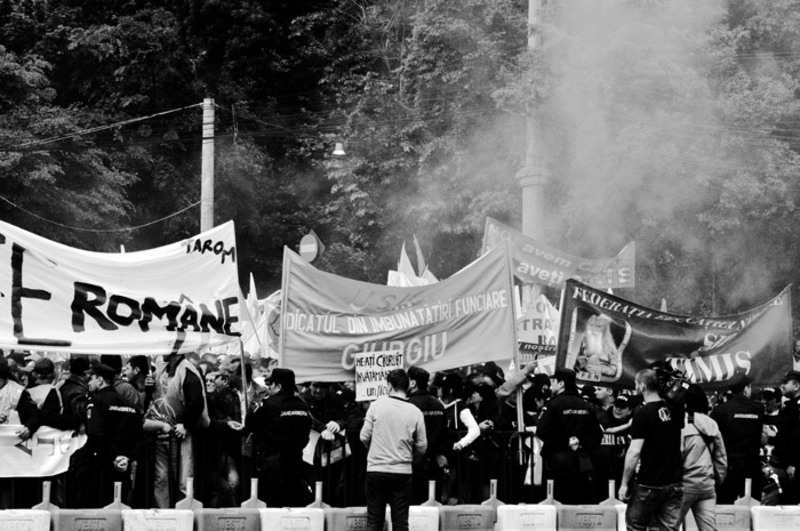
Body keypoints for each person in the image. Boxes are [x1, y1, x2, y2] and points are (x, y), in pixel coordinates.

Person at [360, 369, 427, 531]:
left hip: (376, 470)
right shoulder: (415, 412)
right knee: (400, 522)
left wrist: (374, 449)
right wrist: (411, 458)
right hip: (403, 471)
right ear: (408, 386)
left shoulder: (376, 406)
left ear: (389, 386)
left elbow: (364, 436)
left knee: (374, 521)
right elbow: (422, 445)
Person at [618, 368, 684, 531]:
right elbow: (682, 446)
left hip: (649, 482)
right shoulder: (675, 410)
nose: (635, 387)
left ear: (642, 386)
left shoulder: (642, 412)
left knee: (635, 526)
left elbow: (634, 452)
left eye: (636, 384)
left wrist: (624, 483)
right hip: (675, 482)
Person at [70, 362, 144, 508]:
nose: (88, 382)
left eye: (90, 378)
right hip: (122, 468)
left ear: (100, 380)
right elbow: (140, 437)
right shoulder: (130, 406)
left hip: (98, 467)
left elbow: (95, 432)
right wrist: (126, 458)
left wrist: (115, 456)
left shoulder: (97, 402)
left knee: (93, 512)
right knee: (117, 510)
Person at [245, 368, 313, 507]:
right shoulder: (302, 405)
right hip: (296, 461)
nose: (269, 388)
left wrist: (252, 407)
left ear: (278, 386)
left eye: (271, 385)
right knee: (293, 503)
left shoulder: (270, 404)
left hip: (272, 463)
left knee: (272, 503)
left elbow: (251, 424)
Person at [149, 351, 209, 507]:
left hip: (181, 433)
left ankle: (185, 514)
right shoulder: (161, 369)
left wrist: (185, 424)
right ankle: (164, 515)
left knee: (184, 480)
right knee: (161, 479)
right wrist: (148, 387)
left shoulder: (187, 370)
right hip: (162, 431)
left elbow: (196, 402)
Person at [536, 368, 602, 504]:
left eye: (553, 382)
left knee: (556, 502)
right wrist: (580, 443)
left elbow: (541, 431)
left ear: (561, 384)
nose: (551, 386)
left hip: (556, 462)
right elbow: (597, 435)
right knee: (580, 503)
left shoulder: (552, 405)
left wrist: (565, 442)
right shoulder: (587, 405)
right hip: (583, 461)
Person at [678, 384, 727, 531]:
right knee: (708, 528)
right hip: (707, 484)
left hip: (684, 484)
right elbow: (721, 458)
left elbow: (677, 455)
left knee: (669, 526)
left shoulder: (680, 423)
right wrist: (716, 480)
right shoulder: (712, 424)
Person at [710, 373, 764, 503]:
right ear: (746, 388)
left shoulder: (720, 410)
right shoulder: (758, 409)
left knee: (725, 508)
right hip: (752, 466)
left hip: (729, 467)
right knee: (752, 507)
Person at [406, 366, 446, 504]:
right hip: (434, 462)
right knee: (432, 505)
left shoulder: (407, 405)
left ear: (412, 383)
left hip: (411, 462)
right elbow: (443, 433)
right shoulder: (439, 405)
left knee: (412, 506)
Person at [769, 370, 800, 503]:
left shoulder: (797, 407)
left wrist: (793, 463)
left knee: (791, 504)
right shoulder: (790, 406)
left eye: (786, 382)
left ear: (796, 386)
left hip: (793, 466)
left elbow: (798, 437)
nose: (782, 385)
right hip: (785, 464)